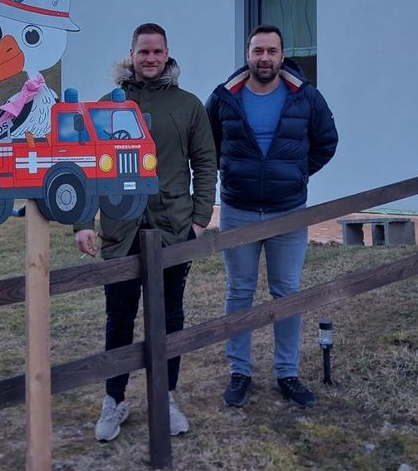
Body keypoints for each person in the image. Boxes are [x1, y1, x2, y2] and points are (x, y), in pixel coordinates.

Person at [76, 23, 217, 441]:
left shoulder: (188, 106)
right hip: (121, 231)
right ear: (131, 54)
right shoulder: (108, 107)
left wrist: (198, 218)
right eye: (143, 52)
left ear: (168, 54)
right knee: (119, 319)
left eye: (157, 52)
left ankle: (166, 395)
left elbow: (205, 163)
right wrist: (84, 222)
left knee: (169, 317)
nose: (150, 59)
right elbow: (84, 165)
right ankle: (114, 400)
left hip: (172, 229)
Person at [206, 25, 338, 410]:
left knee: (287, 293)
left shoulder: (305, 96)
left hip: (288, 212)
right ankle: (240, 371)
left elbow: (326, 142)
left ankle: (287, 373)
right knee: (240, 292)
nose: (264, 57)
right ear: (247, 54)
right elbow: (206, 145)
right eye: (257, 50)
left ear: (282, 55)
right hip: (238, 209)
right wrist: (231, 171)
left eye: (271, 51)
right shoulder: (223, 98)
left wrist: (294, 173)